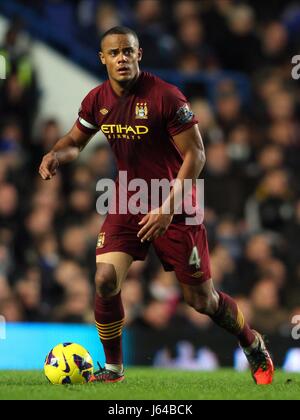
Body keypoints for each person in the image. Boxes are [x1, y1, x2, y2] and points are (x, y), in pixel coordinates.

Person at [39, 26, 274, 385]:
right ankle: (115, 370)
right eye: (114, 53)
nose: (122, 58)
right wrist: (57, 154)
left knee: (201, 300)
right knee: (104, 279)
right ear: (102, 58)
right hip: (127, 199)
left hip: (177, 204)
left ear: (139, 54)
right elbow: (75, 140)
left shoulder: (166, 96)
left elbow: (197, 153)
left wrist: (166, 207)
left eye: (128, 52)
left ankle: (251, 341)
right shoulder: (96, 100)